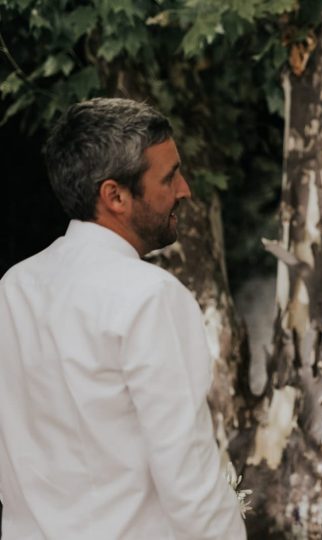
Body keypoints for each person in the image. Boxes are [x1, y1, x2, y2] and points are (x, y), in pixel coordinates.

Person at [0, 98, 246, 539]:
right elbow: (189, 479)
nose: (185, 189)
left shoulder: (16, 287)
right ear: (114, 196)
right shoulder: (150, 297)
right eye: (168, 177)